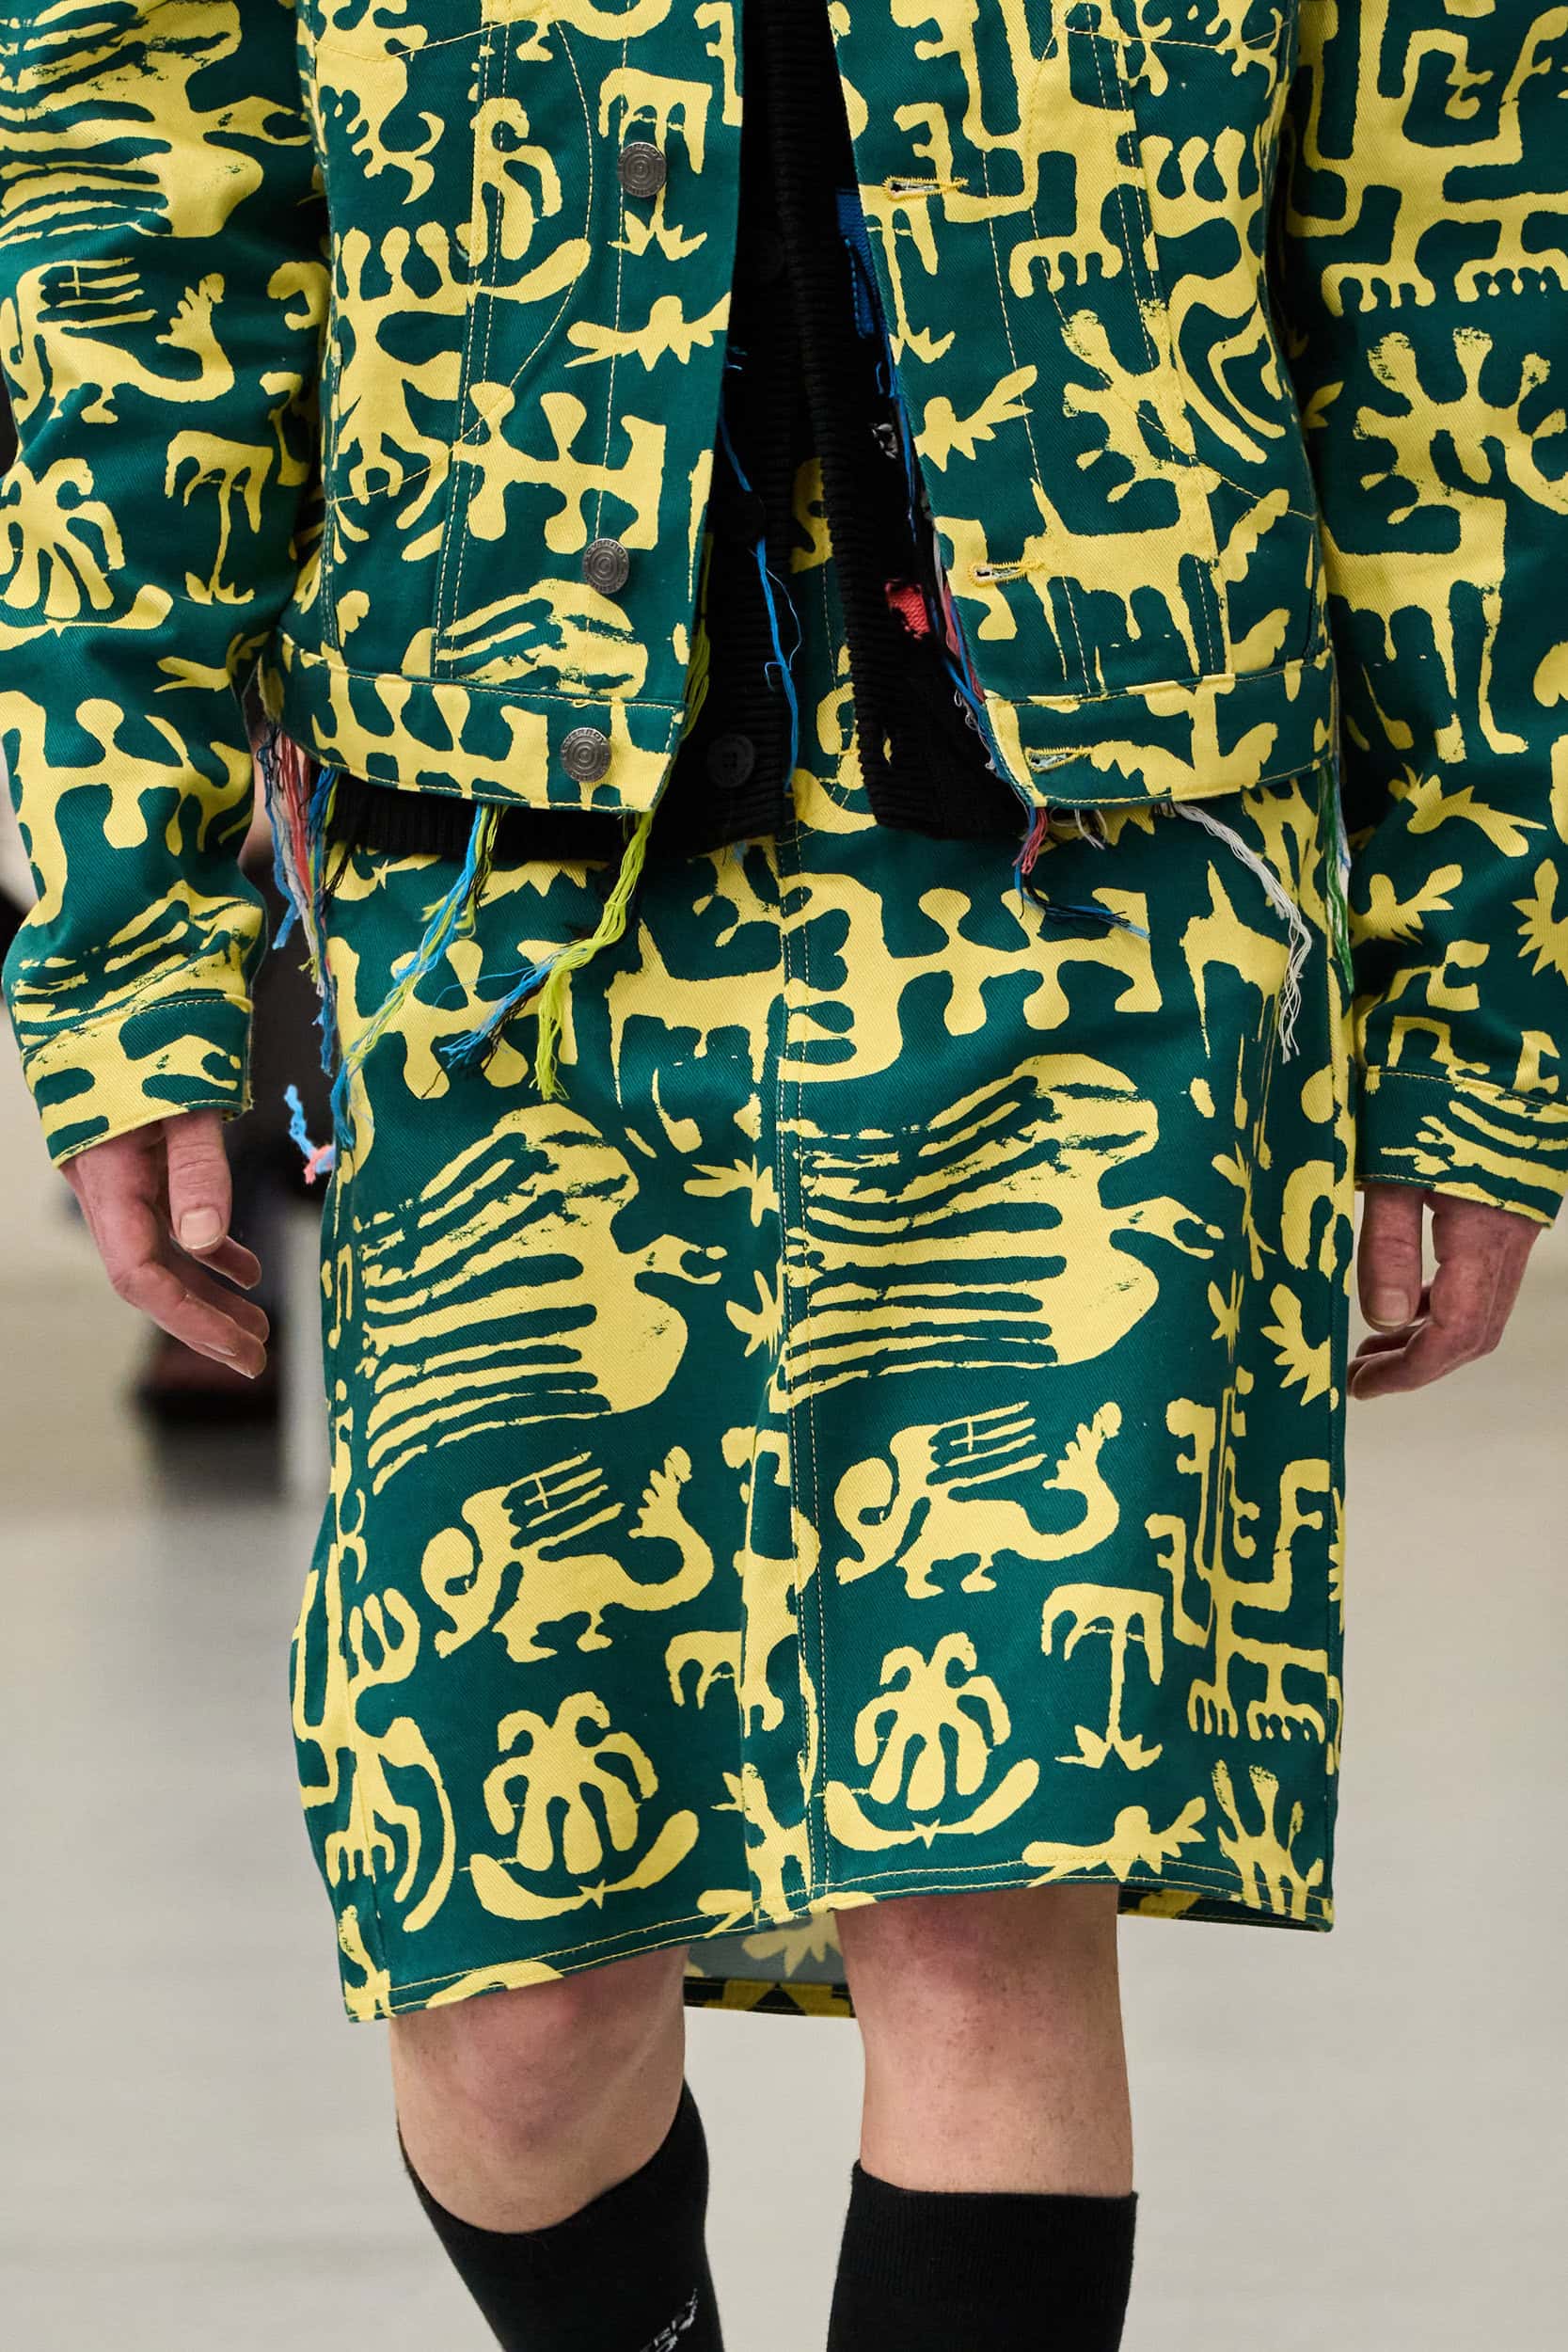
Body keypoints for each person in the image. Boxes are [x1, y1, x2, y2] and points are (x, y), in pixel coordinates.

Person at [1, 5, 1562, 2347]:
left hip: (1110, 846)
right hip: (504, 855)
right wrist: (124, 940)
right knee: (517, 2000)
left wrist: (1482, 1006)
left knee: (984, 1879)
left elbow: (1461, 268)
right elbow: (138, 229)